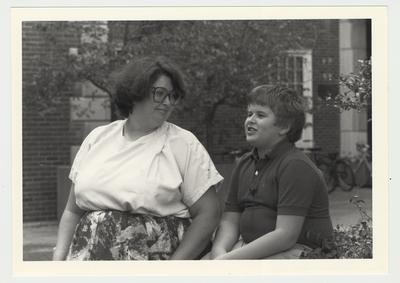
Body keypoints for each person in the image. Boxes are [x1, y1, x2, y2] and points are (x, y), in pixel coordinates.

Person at [53, 56, 223, 260]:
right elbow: (72, 211)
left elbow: (209, 214)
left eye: (173, 96)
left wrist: (174, 269)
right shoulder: (97, 138)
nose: (168, 102)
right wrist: (59, 260)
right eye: (160, 94)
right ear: (135, 93)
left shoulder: (183, 143)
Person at [205, 85, 333, 260]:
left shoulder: (295, 165)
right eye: (249, 114)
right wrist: (219, 252)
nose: (250, 120)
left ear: (285, 126)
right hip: (251, 248)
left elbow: (285, 235)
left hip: (297, 252)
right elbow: (230, 221)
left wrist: (228, 261)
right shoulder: (245, 163)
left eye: (260, 115)